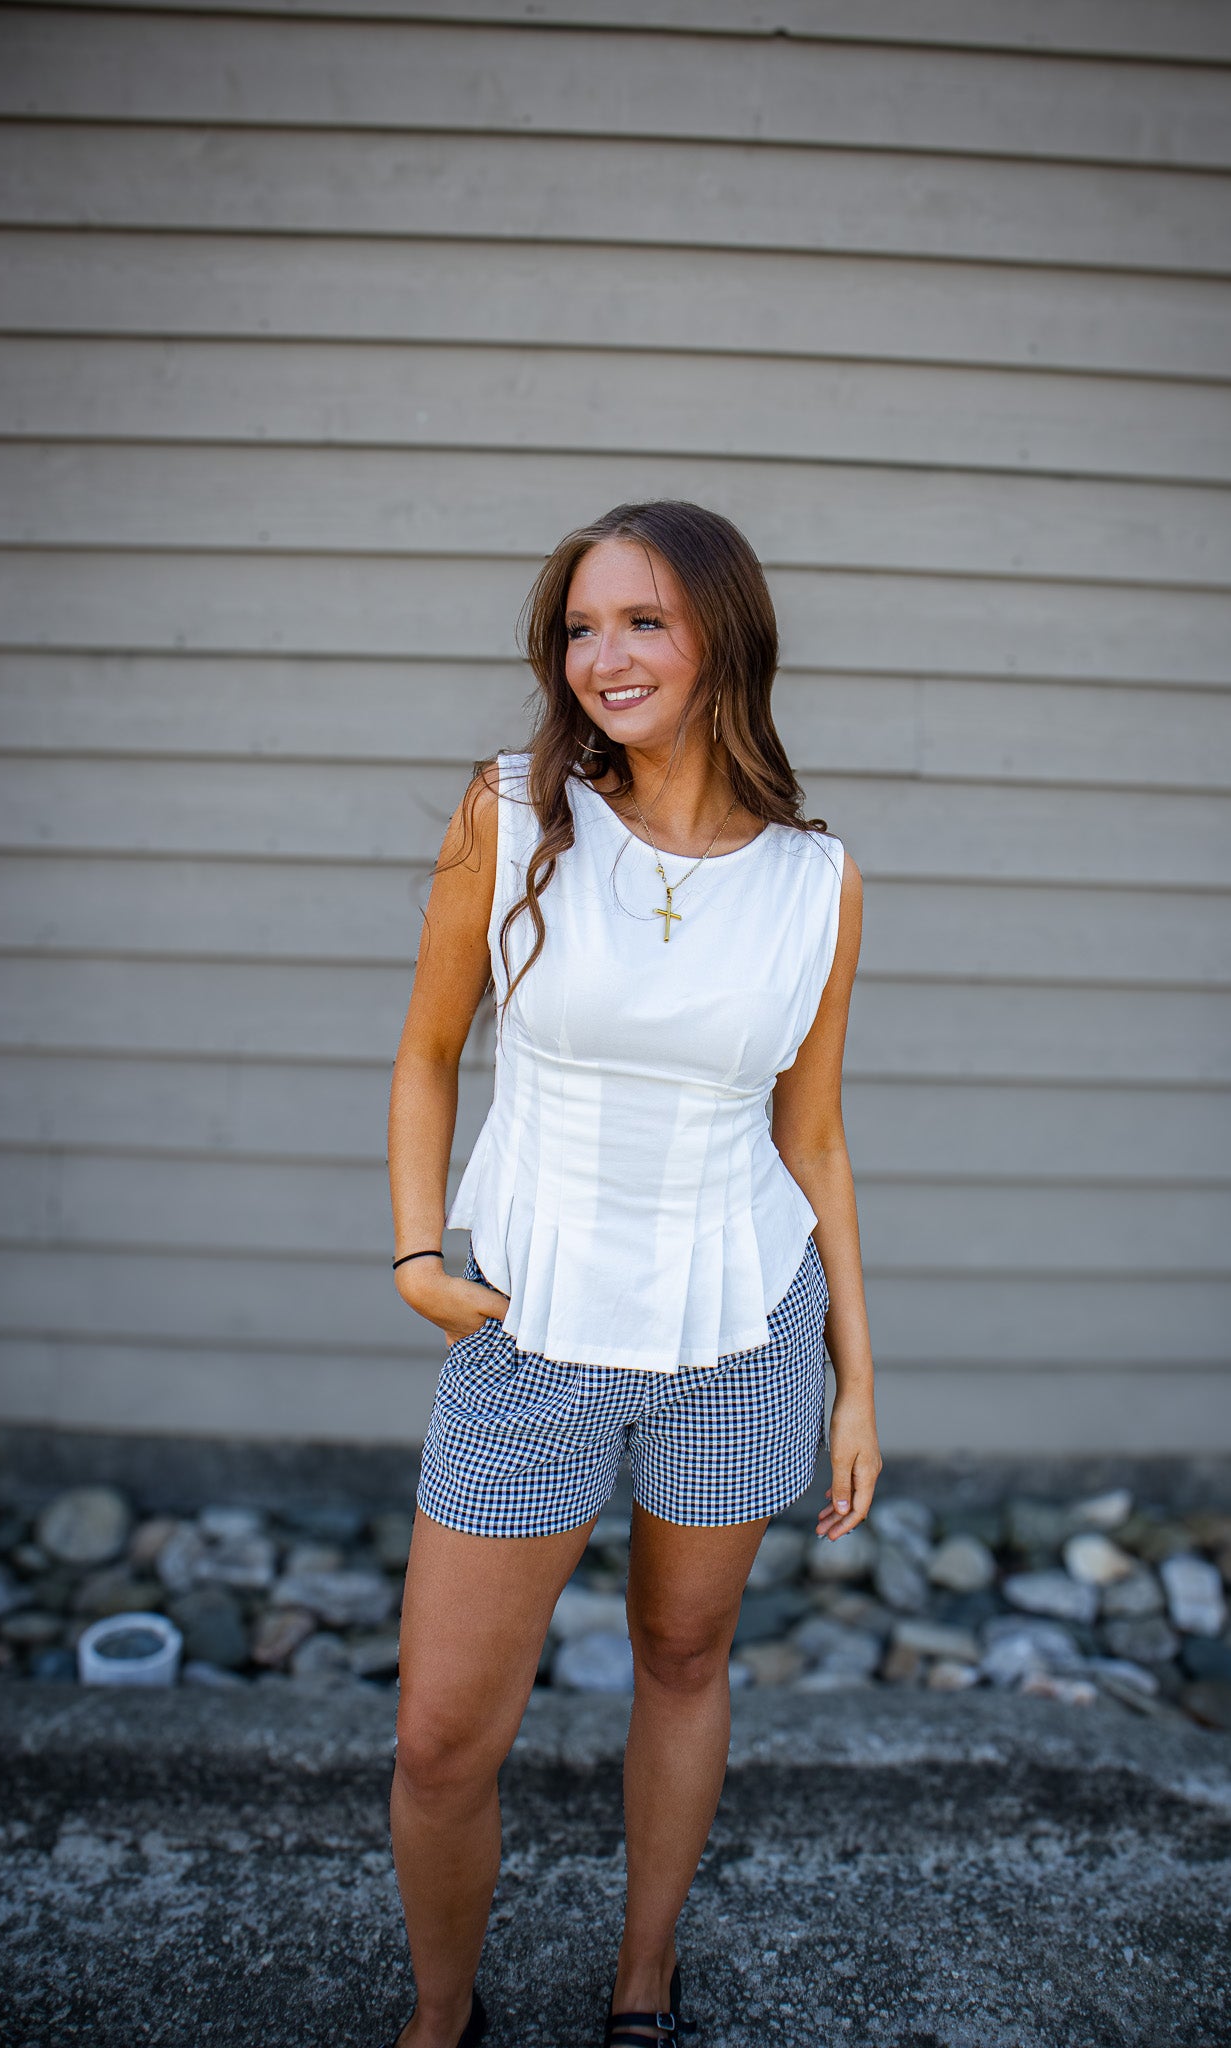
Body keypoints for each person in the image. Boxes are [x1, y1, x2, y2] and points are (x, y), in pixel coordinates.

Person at [383, 498, 881, 2048]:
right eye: (580, 627)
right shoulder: (509, 813)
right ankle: (441, 2016)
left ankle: (642, 1975)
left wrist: (859, 1379)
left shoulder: (817, 881)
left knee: (683, 1654)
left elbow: (815, 1137)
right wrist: (414, 1253)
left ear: (723, 632)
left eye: (642, 621)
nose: (603, 657)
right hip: (528, 1333)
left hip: (742, 1329)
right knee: (443, 1739)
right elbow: (425, 1053)